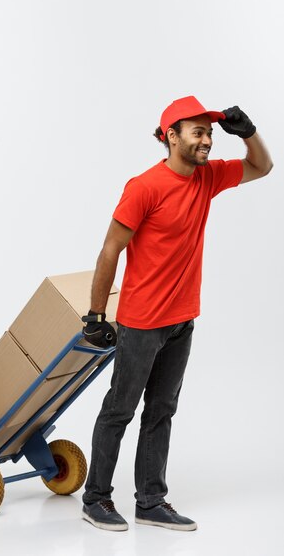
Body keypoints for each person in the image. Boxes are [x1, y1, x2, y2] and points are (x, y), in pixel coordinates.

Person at [80, 95, 273, 532]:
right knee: (119, 410)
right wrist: (95, 316)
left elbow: (261, 167)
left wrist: (249, 133)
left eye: (209, 132)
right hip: (142, 322)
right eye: (198, 132)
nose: (206, 140)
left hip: (182, 319)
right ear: (171, 136)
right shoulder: (145, 186)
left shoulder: (208, 178)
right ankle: (95, 499)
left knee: (162, 409)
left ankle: (150, 501)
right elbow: (111, 248)